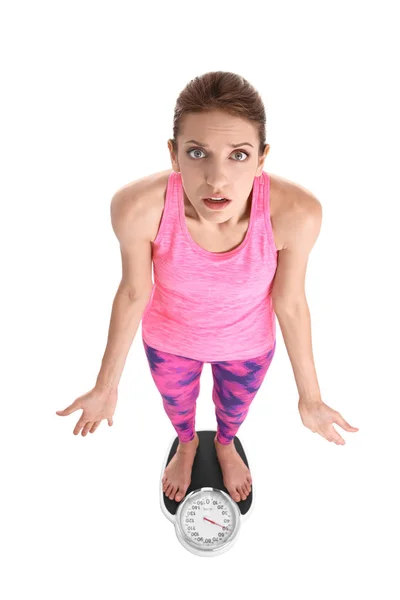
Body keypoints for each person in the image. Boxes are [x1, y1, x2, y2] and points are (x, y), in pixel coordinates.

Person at [56, 71, 359, 504]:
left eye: (238, 155)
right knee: (179, 412)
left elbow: (290, 303)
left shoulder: (297, 212)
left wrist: (311, 398)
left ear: (261, 158)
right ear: (174, 155)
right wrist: (106, 386)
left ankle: (223, 443)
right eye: (197, 153)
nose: (217, 179)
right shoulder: (138, 207)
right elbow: (133, 291)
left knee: (232, 414)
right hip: (170, 342)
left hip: (247, 347)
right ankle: (186, 444)